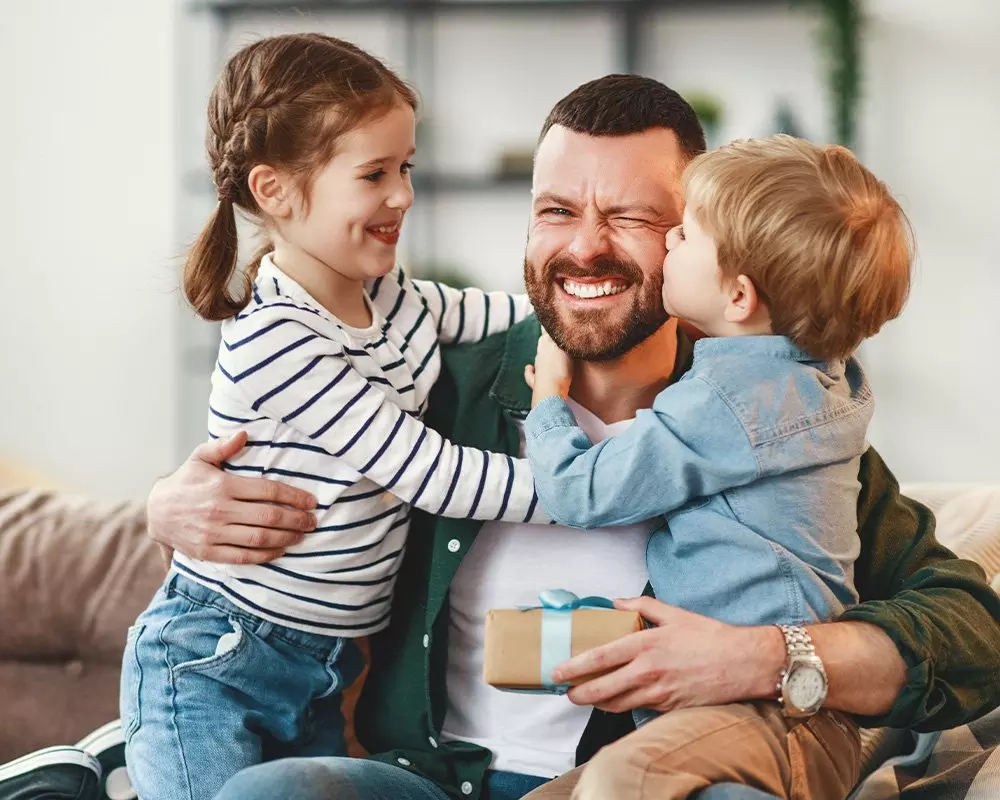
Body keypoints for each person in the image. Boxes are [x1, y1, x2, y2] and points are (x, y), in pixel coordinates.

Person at [145, 76, 1000, 800]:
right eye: (557, 209)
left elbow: (975, 633)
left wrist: (763, 657)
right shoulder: (433, 388)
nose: (585, 247)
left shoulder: (771, 424)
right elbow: (278, 487)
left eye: (632, 217)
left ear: (704, 240)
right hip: (436, 780)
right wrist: (167, 507)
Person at [121, 33, 547, 800]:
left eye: (406, 168)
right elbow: (430, 473)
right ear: (277, 191)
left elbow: (513, 316)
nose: (403, 195)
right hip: (219, 659)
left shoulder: (391, 296)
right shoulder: (277, 339)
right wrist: (584, 487)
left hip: (323, 667)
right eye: (375, 174)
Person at [520, 135, 913, 799]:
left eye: (684, 233)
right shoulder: (818, 384)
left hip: (772, 718)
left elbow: (579, 493)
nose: (670, 240)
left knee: (626, 776)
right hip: (773, 721)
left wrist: (548, 400)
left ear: (737, 296)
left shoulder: (732, 401)